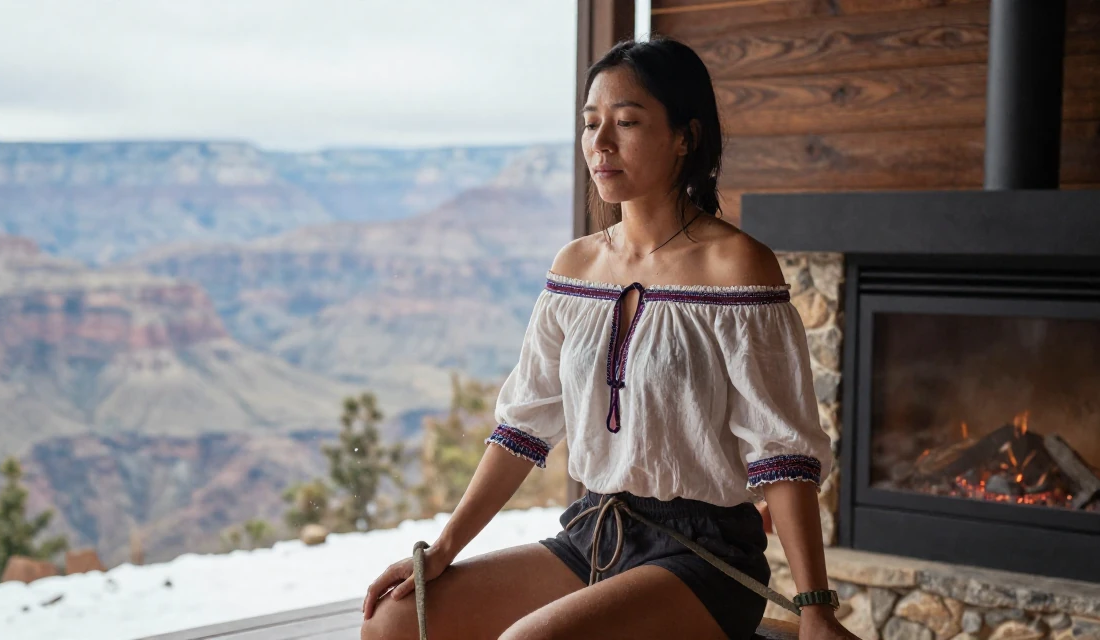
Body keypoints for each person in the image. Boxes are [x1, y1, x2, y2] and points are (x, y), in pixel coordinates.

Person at [360, 35, 854, 640]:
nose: (600, 143)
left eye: (626, 122)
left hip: (704, 557)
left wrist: (815, 609)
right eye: (591, 124)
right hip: (593, 533)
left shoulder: (737, 266)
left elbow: (783, 452)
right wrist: (443, 549)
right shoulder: (576, 268)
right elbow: (522, 429)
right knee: (394, 624)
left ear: (685, 137)